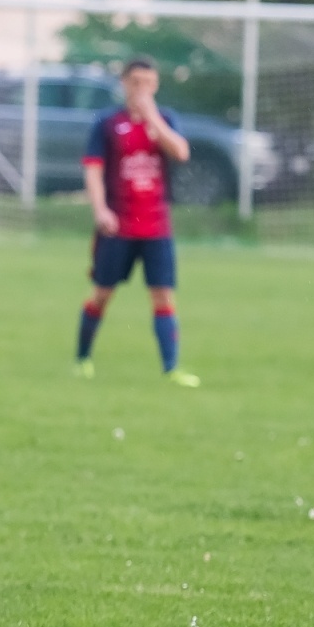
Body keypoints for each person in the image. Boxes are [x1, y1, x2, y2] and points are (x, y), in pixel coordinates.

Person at [75, 56, 199, 387]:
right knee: (102, 293)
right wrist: (100, 210)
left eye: (149, 83)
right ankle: (82, 359)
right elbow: (93, 169)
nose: (142, 89)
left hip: (156, 227)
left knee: (163, 296)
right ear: (124, 84)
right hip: (119, 226)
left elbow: (181, 153)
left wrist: (151, 117)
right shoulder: (107, 123)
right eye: (136, 82)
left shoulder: (165, 119)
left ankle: (171, 368)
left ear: (156, 86)